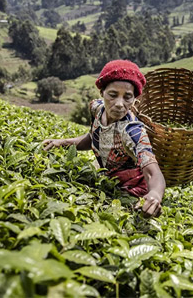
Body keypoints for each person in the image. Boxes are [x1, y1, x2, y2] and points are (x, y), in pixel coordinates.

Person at [43, 60, 165, 217]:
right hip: (106, 178)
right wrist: (62, 143)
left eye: (127, 97)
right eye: (113, 95)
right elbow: (94, 137)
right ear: (102, 93)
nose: (120, 104)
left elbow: (153, 173)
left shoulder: (133, 131)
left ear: (134, 99)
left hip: (131, 190)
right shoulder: (97, 108)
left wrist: (154, 195)